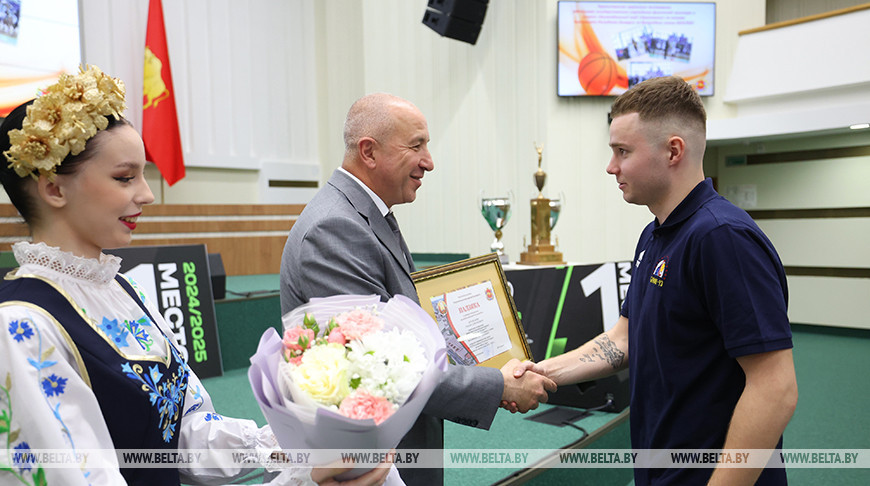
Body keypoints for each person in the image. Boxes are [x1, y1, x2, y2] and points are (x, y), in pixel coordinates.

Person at [0, 66, 390, 486]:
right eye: (124, 177)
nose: (147, 194)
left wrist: (298, 447)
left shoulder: (116, 288)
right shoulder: (22, 325)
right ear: (53, 189)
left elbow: (182, 433)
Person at [512, 76, 798, 485]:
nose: (611, 167)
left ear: (673, 151)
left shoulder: (722, 238)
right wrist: (543, 372)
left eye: (622, 152)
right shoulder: (655, 234)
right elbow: (625, 339)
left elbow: (776, 389)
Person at [280, 93, 557, 486]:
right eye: (417, 146)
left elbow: (401, 336)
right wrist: (499, 384)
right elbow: (378, 368)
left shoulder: (366, 216)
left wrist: (493, 357)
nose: (429, 160)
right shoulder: (335, 229)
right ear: (369, 152)